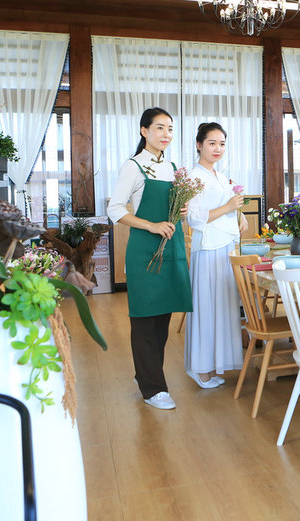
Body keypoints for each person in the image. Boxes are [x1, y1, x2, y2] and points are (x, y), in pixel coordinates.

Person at [107, 107, 192, 410]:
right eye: (159, 128)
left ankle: (146, 374)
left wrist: (182, 211)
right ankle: (153, 388)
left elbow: (176, 210)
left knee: (162, 318)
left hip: (171, 249)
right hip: (144, 250)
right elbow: (115, 209)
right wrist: (151, 225)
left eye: (170, 128)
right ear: (144, 131)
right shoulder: (133, 166)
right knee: (145, 318)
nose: (166, 134)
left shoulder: (172, 168)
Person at [184, 122, 248, 389]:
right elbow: (195, 219)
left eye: (222, 143)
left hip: (225, 246)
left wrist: (240, 215)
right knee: (206, 308)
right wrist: (229, 207)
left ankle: (214, 364)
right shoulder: (193, 177)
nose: (217, 148)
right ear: (199, 145)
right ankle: (200, 369)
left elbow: (228, 207)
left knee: (223, 308)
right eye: (212, 143)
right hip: (209, 248)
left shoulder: (220, 176)